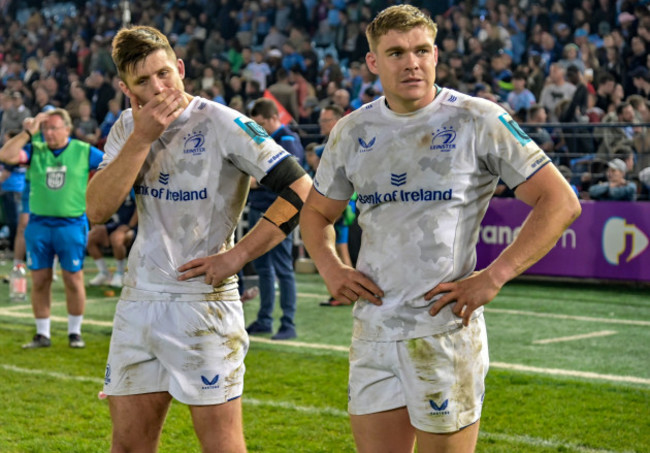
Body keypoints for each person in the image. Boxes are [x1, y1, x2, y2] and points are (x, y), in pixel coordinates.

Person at [299, 6, 581, 453]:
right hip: (373, 330)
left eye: (422, 50)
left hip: (444, 331)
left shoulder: (477, 119)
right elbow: (315, 214)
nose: (411, 62)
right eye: (395, 52)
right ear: (373, 62)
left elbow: (561, 202)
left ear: (435, 55)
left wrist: (494, 276)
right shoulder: (352, 131)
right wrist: (332, 270)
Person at [85, 26, 311, 452]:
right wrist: (140, 138)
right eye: (142, 81)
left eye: (164, 74)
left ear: (182, 69)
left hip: (203, 304)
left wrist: (238, 256)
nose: (158, 88)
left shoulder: (224, 123)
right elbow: (96, 210)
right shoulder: (127, 128)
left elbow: (301, 191)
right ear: (124, 87)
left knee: (222, 446)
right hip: (139, 301)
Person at [0, 108, 104, 349]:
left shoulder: (83, 150)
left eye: (53, 127)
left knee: (73, 278)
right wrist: (28, 132)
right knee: (40, 279)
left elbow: (111, 166)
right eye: (45, 128)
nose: (48, 133)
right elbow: (6, 155)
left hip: (72, 223)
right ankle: (42, 334)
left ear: (67, 129)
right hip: (39, 224)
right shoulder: (35, 150)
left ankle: (75, 333)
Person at [246, 98, 305, 340]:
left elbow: (291, 177)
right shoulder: (267, 139)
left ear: (273, 118)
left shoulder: (287, 139)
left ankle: (288, 323)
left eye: (262, 124)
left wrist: (255, 182)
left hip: (278, 210)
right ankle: (264, 319)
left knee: (281, 268)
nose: (259, 129)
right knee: (263, 269)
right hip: (260, 208)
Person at [87, 190, 137, 288]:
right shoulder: (111, 184)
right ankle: (104, 272)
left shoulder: (132, 185)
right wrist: (97, 223)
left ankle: (120, 273)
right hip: (117, 223)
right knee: (91, 237)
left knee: (116, 238)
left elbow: (141, 208)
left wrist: (130, 226)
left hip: (136, 226)